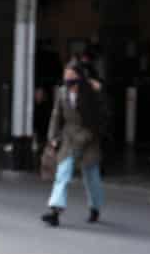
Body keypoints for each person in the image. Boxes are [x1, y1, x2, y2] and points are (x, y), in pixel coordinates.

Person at [41, 61, 107, 227]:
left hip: (89, 137)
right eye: (66, 77)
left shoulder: (91, 93)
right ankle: (55, 210)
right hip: (69, 138)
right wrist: (52, 136)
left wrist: (100, 90)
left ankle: (95, 206)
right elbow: (56, 115)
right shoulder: (62, 93)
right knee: (62, 173)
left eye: (72, 77)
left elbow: (100, 118)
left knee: (91, 177)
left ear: (80, 77)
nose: (68, 81)